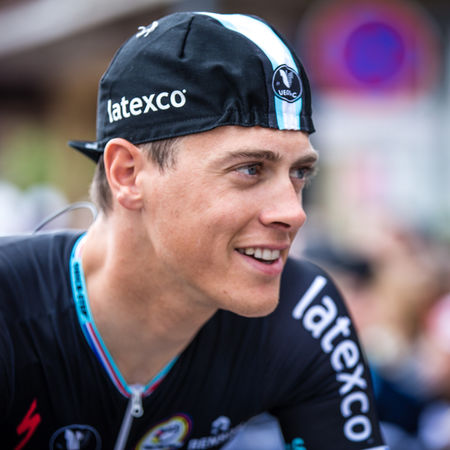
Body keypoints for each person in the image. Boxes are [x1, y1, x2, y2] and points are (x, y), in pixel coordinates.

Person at [0, 11, 388, 450]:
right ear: (128, 174)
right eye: (250, 168)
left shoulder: (305, 310)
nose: (294, 213)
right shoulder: (10, 309)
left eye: (299, 173)